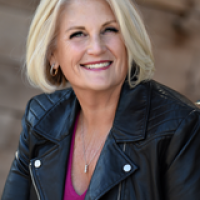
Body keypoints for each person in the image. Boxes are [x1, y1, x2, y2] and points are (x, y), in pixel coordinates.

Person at [1, 0, 200, 199]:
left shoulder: (180, 127)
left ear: (128, 41)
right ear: (53, 54)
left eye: (110, 30)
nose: (96, 48)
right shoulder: (40, 118)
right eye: (78, 34)